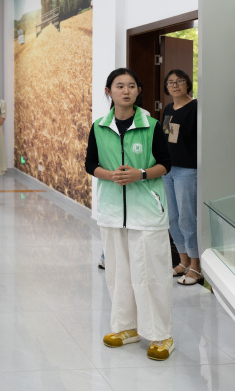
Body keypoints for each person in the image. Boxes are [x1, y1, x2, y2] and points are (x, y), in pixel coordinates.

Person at [84, 68, 174, 361]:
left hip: (147, 213)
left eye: (131, 86)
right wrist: (110, 175)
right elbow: (90, 164)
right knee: (118, 274)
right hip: (112, 212)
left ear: (138, 91)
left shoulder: (151, 125)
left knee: (150, 276)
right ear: (108, 91)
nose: (126, 91)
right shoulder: (99, 126)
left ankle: (161, 335)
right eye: (119, 86)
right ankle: (126, 328)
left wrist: (140, 174)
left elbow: (165, 164)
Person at [161, 70, 200, 286]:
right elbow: (168, 137)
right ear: (166, 87)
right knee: (172, 217)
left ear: (187, 84)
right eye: (170, 82)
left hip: (187, 170)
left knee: (187, 217)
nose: (175, 85)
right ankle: (183, 262)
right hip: (168, 170)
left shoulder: (196, 108)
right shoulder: (168, 109)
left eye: (179, 81)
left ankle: (196, 266)